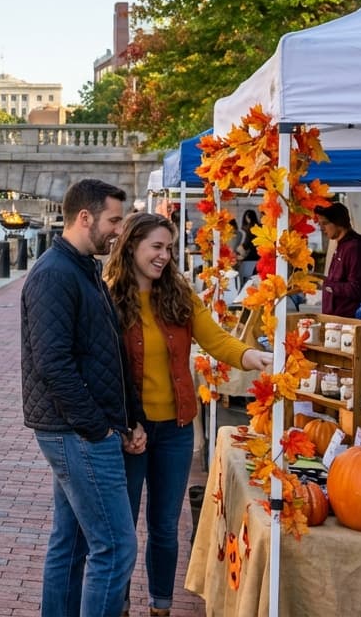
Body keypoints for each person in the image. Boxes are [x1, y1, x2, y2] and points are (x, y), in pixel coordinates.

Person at [104, 212, 272, 617]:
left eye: (168, 248)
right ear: (131, 246)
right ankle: (119, 603)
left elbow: (217, 340)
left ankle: (160, 605)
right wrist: (124, 424)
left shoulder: (178, 295)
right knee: (122, 529)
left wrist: (255, 357)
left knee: (164, 528)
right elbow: (102, 367)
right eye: (156, 247)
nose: (164, 256)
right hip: (130, 432)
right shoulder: (107, 296)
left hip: (176, 430)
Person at [20, 178, 144, 617]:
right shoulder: (55, 274)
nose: (118, 230)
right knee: (114, 548)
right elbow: (52, 363)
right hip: (77, 431)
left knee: (70, 545)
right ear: (85, 217)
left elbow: (108, 351)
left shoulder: (84, 269)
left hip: (80, 428)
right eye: (113, 220)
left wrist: (128, 419)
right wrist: (98, 427)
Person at [315, 202, 361, 317]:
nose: (322, 228)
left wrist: (327, 285)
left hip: (348, 322)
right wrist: (320, 279)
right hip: (337, 320)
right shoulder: (342, 246)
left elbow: (358, 288)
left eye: (325, 223)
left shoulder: (355, 248)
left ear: (339, 223)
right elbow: (340, 282)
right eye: (320, 224)